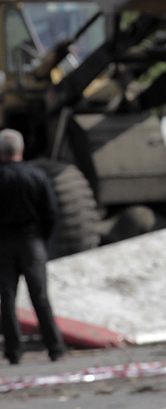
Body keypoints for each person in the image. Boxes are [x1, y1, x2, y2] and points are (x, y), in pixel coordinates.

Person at [0, 129, 66, 364]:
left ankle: (13, 352)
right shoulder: (36, 175)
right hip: (32, 243)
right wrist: (43, 239)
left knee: (7, 300)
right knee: (40, 297)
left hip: (4, 246)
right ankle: (55, 348)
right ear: (21, 149)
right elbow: (51, 212)